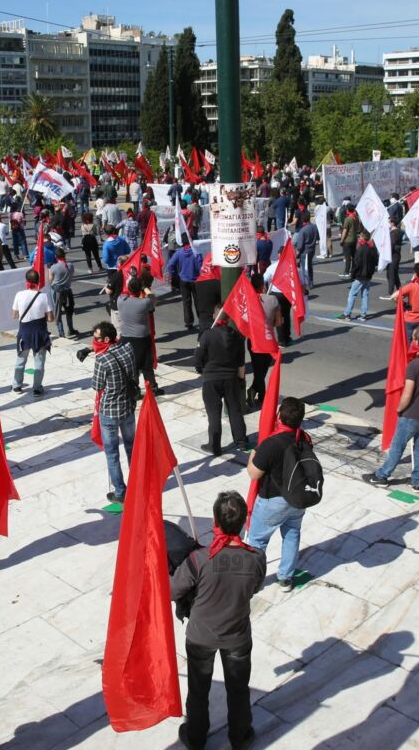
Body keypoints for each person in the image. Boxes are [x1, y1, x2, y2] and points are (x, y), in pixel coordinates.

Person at [172, 491, 266, 750]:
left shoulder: (199, 559)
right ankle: (240, 736)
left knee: (198, 690)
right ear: (244, 522)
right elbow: (255, 588)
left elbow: (172, 590)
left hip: (201, 635)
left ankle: (196, 737)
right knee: (238, 690)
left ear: (215, 522)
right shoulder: (257, 558)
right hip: (237, 636)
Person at [364, 326, 419, 490]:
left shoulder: (414, 365)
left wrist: (399, 409)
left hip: (411, 413)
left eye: (413, 338)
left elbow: (407, 394)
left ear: (417, 341)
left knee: (397, 447)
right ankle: (417, 481)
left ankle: (382, 475)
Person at [246, 396, 310, 589]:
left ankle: (253, 582)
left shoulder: (271, 443)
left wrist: (253, 453)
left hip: (272, 501)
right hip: (297, 498)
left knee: (258, 540)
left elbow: (254, 474)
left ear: (279, 417)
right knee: (291, 534)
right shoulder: (304, 438)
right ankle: (285, 578)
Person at [87, 321, 138, 503]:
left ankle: (120, 492)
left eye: (97, 338)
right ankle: (138, 484)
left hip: (109, 411)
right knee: (132, 447)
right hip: (128, 407)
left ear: (106, 339)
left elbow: (97, 385)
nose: (94, 341)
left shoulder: (102, 360)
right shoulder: (128, 348)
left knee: (112, 453)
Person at [195, 305, 249, 454]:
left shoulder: (206, 335)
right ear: (229, 318)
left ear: (214, 316)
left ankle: (215, 445)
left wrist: (202, 369)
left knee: (214, 414)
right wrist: (241, 380)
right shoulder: (236, 336)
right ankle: (242, 441)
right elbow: (240, 362)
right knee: (235, 410)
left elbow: (197, 360)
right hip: (231, 378)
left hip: (211, 379)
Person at [117, 275, 162, 395]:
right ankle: (152, 387)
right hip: (142, 337)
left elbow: (124, 291)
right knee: (147, 364)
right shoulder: (145, 302)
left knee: (132, 365)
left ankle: (134, 391)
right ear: (140, 290)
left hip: (126, 338)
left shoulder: (121, 301)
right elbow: (153, 298)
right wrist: (145, 288)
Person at [11, 269, 53, 395]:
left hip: (24, 332)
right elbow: (50, 318)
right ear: (38, 281)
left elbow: (14, 315)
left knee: (20, 360)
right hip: (40, 332)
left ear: (27, 281)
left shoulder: (19, 294)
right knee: (39, 362)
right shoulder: (44, 296)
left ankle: (17, 385)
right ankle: (37, 387)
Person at [247, 273, 281, 409]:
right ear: (263, 286)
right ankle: (257, 392)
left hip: (253, 339)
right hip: (268, 338)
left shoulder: (248, 300)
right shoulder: (273, 300)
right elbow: (278, 322)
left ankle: (260, 393)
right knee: (262, 370)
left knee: (257, 370)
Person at [337, 234, 378, 320]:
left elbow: (356, 264)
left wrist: (353, 275)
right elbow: (375, 262)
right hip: (368, 275)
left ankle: (347, 314)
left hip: (360, 275)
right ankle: (363, 314)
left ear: (363, 238)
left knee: (352, 294)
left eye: (360, 237)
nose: (359, 238)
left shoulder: (361, 249)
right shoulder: (372, 248)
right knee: (365, 295)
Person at [166, 234, 201, 330]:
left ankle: (188, 322)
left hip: (183, 280)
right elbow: (200, 266)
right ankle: (201, 320)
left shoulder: (179, 253)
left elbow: (170, 266)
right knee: (198, 301)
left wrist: (175, 275)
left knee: (186, 302)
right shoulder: (196, 252)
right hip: (196, 280)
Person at [48, 246, 78, 338]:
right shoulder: (70, 265)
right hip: (67, 290)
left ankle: (61, 333)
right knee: (69, 311)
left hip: (57, 291)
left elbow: (50, 280)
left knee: (58, 312)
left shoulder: (53, 267)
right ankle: (71, 329)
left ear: (56, 257)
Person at [338, 206, 360, 277]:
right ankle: (353, 270)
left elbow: (345, 231)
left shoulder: (348, 219)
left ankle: (346, 271)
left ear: (347, 210)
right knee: (353, 256)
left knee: (347, 257)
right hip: (354, 239)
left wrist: (341, 240)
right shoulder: (356, 218)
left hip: (347, 240)